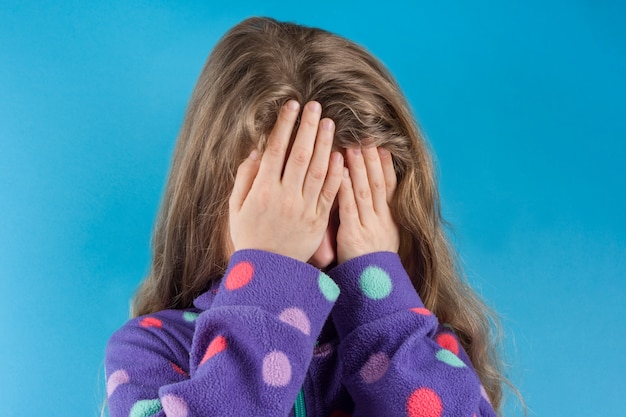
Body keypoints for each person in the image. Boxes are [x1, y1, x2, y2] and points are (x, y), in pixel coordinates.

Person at [105, 16, 510, 417]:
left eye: (350, 212)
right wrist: (268, 275)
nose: (321, 251)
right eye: (288, 212)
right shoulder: (153, 350)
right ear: (212, 203)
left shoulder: (419, 350)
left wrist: (384, 315)